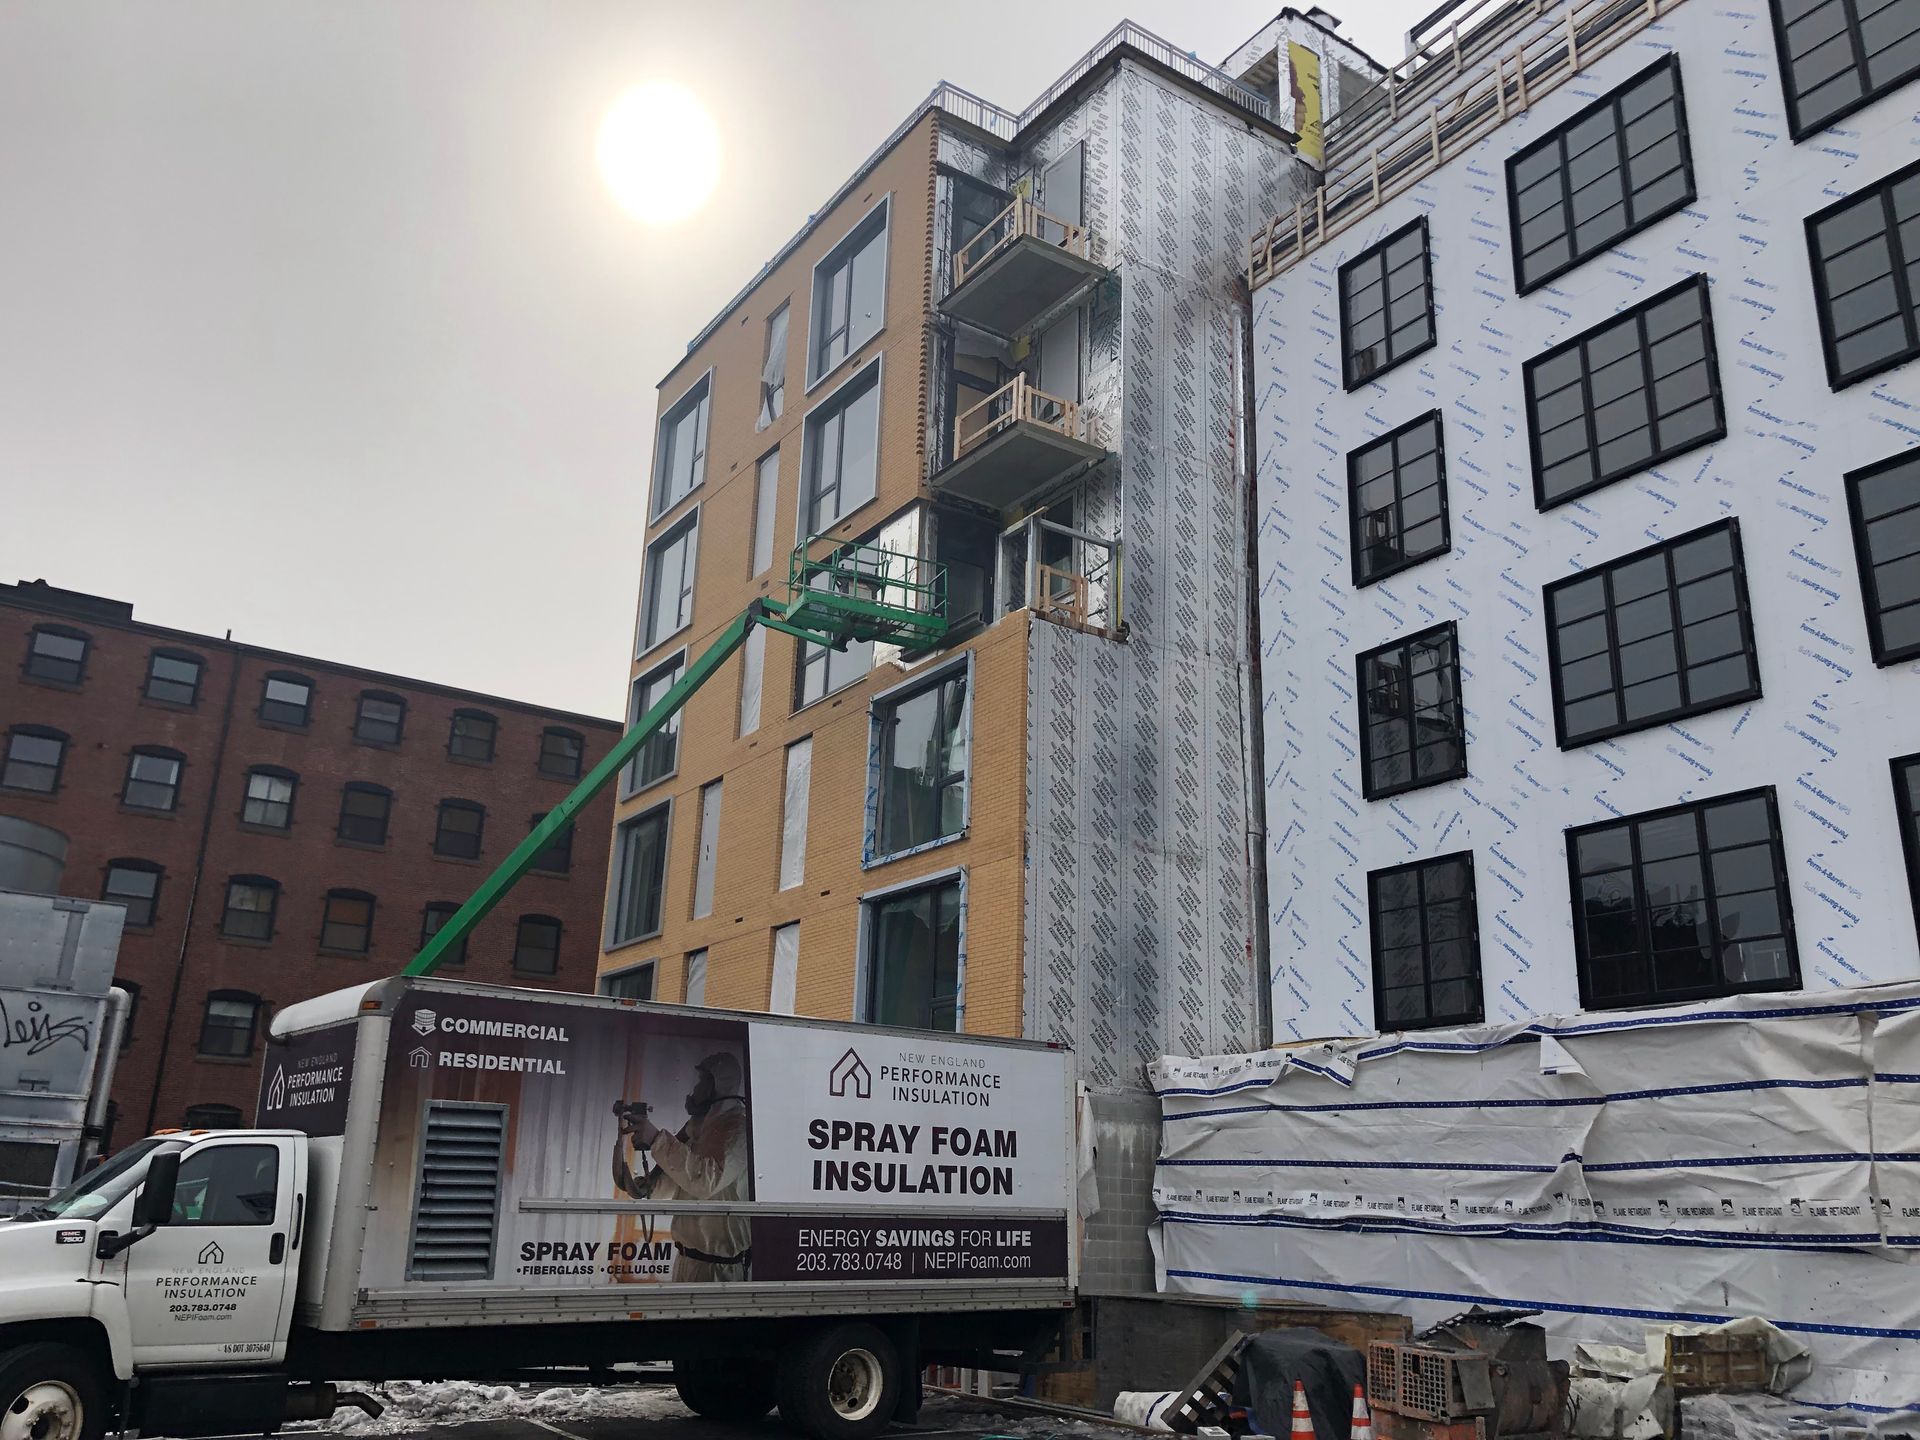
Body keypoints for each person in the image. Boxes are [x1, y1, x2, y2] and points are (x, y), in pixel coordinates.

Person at [611, 1050, 751, 1281]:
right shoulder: (701, 1127)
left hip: (716, 1271)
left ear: (718, 1085)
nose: (695, 1090)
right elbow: (682, 1182)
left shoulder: (737, 1129)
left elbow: (706, 1182)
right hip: (687, 1260)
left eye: (703, 1082)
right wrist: (648, 1185)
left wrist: (657, 1139)